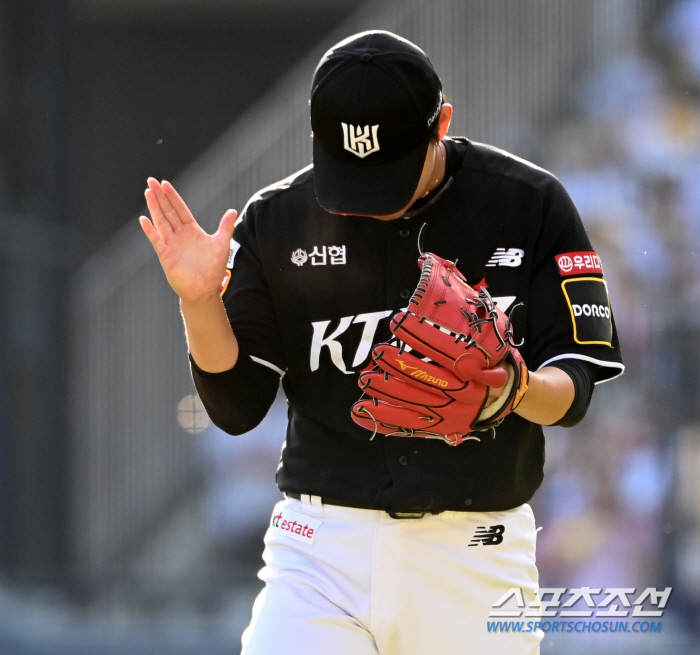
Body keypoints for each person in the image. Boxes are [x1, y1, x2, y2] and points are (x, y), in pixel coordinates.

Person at [140, 30, 623, 655]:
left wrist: (514, 389)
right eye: (351, 172)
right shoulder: (278, 219)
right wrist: (199, 301)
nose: (370, 198)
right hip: (318, 552)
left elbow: (576, 388)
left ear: (440, 123)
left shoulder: (529, 204)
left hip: (474, 556)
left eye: (389, 172)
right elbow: (235, 408)